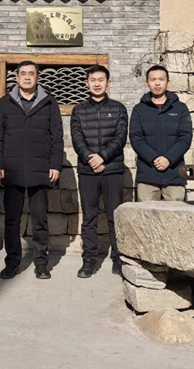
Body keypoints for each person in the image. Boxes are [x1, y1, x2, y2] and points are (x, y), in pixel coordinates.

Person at [0, 60, 64, 280]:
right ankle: (12, 262)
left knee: (40, 221)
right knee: (11, 221)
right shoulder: (5, 103)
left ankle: (41, 263)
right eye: (23, 73)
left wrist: (55, 164)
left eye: (31, 73)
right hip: (12, 169)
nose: (27, 77)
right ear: (16, 77)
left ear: (37, 77)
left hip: (40, 168)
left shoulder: (49, 102)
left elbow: (57, 137)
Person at [70, 65, 128, 278]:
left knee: (115, 216)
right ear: (87, 83)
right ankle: (89, 260)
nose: (97, 84)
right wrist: (91, 158)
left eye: (101, 80)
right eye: (93, 80)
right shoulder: (78, 110)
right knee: (89, 218)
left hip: (112, 170)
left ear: (108, 83)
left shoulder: (119, 109)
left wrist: (102, 157)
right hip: (87, 171)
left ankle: (118, 259)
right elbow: (77, 139)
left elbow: (120, 137)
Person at [129, 65, 192, 202]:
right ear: (147, 83)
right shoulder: (139, 109)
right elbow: (136, 139)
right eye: (153, 80)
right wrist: (154, 158)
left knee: (175, 213)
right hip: (147, 174)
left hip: (174, 173)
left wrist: (168, 158)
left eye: (161, 79)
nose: (157, 83)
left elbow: (185, 138)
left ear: (167, 82)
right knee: (145, 213)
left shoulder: (180, 108)